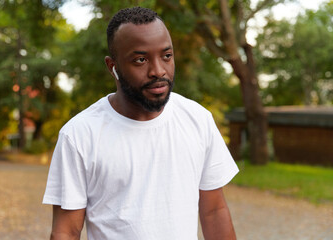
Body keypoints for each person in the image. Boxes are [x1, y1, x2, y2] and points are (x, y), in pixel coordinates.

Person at [43, 6, 239, 240]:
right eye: (140, 60)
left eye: (166, 56)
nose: (158, 71)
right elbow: (66, 231)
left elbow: (214, 211)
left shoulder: (198, 120)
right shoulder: (79, 135)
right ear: (112, 66)